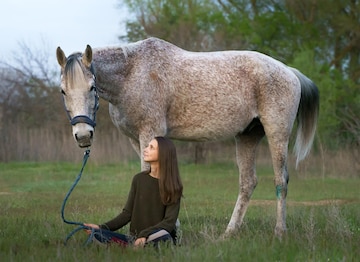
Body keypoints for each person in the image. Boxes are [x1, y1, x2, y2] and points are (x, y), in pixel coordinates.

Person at [84, 136, 183, 248]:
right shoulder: (139, 179)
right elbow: (127, 214)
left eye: (151, 147)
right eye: (147, 146)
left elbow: (169, 223)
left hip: (155, 236)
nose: (145, 149)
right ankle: (132, 247)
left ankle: (130, 247)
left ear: (163, 154)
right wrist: (101, 227)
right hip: (134, 238)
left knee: (163, 235)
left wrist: (144, 235)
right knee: (96, 235)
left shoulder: (173, 187)